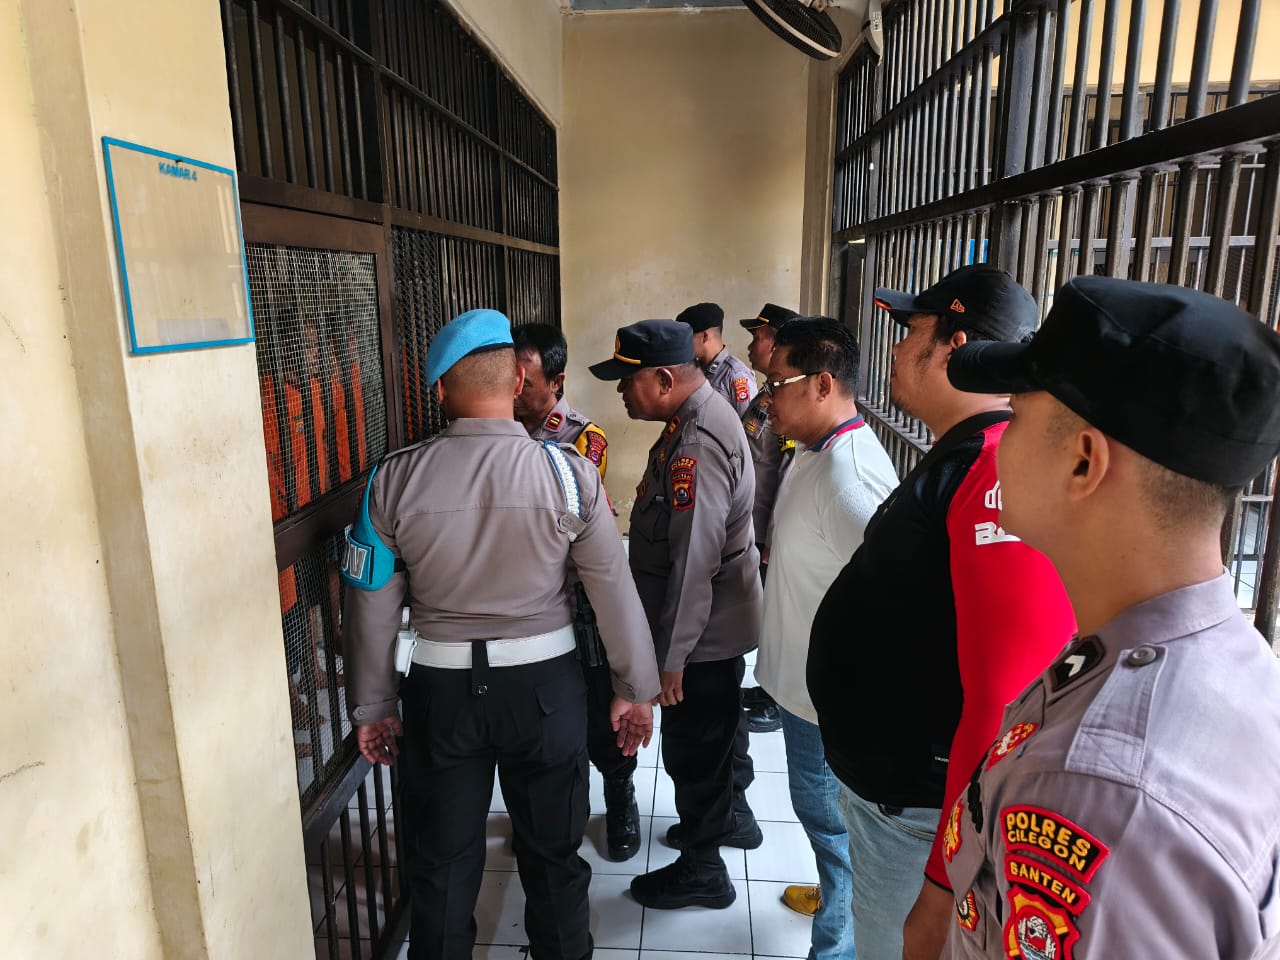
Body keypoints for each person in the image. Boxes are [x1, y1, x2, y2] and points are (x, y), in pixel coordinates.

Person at [938, 277, 1280, 959]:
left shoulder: (1097, 792)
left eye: (1017, 415)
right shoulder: (1229, 660)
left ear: (1083, 461)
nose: (1000, 440)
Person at [341, 309, 660, 960]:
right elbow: (614, 591)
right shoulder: (569, 474)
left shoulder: (391, 479)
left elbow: (370, 602)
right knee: (554, 858)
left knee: (442, 867)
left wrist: (373, 706)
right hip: (546, 694)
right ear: (517, 382)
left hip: (440, 695)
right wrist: (635, 689)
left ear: (439, 390)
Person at [805, 264, 1077, 960]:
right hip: (896, 800)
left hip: (923, 818)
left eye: (910, 331)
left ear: (955, 344)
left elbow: (1001, 696)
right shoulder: (963, 456)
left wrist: (941, 881)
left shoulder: (991, 471)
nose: (895, 349)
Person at [590, 319, 763, 909]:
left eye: (627, 380)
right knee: (714, 739)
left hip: (701, 634)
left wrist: (671, 659)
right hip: (708, 626)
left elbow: (694, 564)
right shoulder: (691, 421)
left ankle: (704, 871)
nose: (620, 391)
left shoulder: (696, 444)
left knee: (695, 749)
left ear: (664, 380)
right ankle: (724, 826)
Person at [758, 317, 899, 959]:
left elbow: (894, 597)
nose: (767, 397)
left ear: (821, 384)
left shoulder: (849, 479)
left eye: (776, 383)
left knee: (832, 827)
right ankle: (833, 895)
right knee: (825, 824)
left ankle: (834, 947)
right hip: (802, 687)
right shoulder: (813, 450)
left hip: (824, 702)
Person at [512, 322, 640, 862]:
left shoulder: (583, 439)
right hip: (523, 603)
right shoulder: (499, 432)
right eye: (510, 377)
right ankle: (556, 808)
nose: (515, 388)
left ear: (556, 381)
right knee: (538, 715)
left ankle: (620, 795)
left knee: (596, 703)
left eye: (526, 379)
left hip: (577, 597)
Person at [738, 301, 802, 735]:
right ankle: (768, 688)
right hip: (754, 527)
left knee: (780, 617)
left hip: (768, 533)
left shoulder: (787, 401)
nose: (751, 344)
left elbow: (788, 472)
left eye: (758, 336)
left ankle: (780, 702)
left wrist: (773, 539)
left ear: (778, 342)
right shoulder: (767, 394)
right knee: (769, 617)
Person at [677, 302, 757, 416]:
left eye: (687, 338)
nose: (683, 344)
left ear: (705, 336)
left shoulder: (736, 375)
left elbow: (749, 423)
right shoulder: (694, 370)